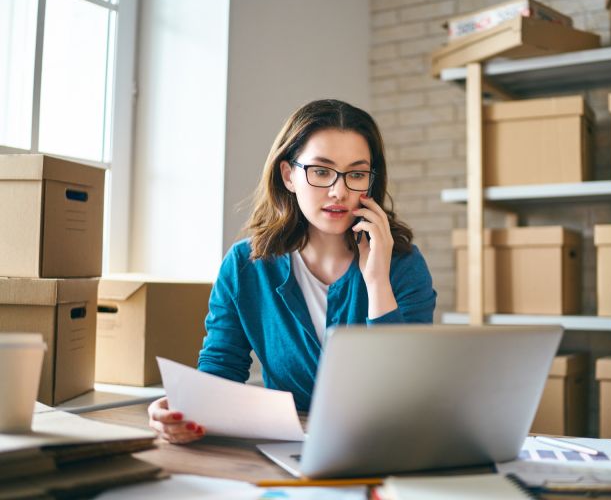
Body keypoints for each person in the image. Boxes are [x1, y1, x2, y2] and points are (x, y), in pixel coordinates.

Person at [148, 99, 437, 443]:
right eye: (321, 171)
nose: (339, 191)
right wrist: (185, 411)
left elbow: (405, 393)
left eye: (356, 174)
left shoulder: (403, 264)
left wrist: (376, 283)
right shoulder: (245, 266)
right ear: (288, 175)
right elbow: (220, 369)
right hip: (288, 449)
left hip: (383, 445)